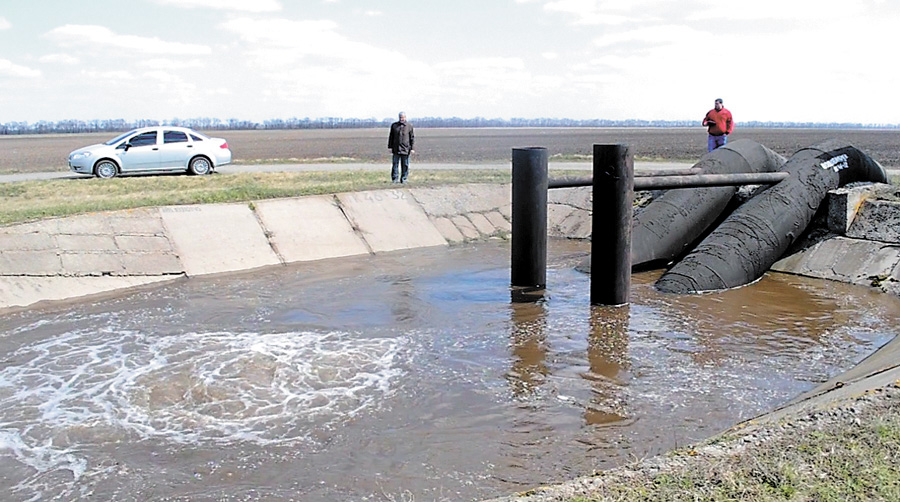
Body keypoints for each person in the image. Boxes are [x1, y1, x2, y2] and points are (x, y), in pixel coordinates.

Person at [387, 111, 415, 183]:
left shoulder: (409, 126)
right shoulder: (394, 125)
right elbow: (391, 137)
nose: (401, 119)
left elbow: (412, 138)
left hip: (406, 149)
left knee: (405, 165)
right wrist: (390, 147)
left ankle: (404, 179)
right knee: (395, 165)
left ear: (405, 117)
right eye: (400, 117)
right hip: (396, 149)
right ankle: (394, 179)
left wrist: (412, 148)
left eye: (403, 117)